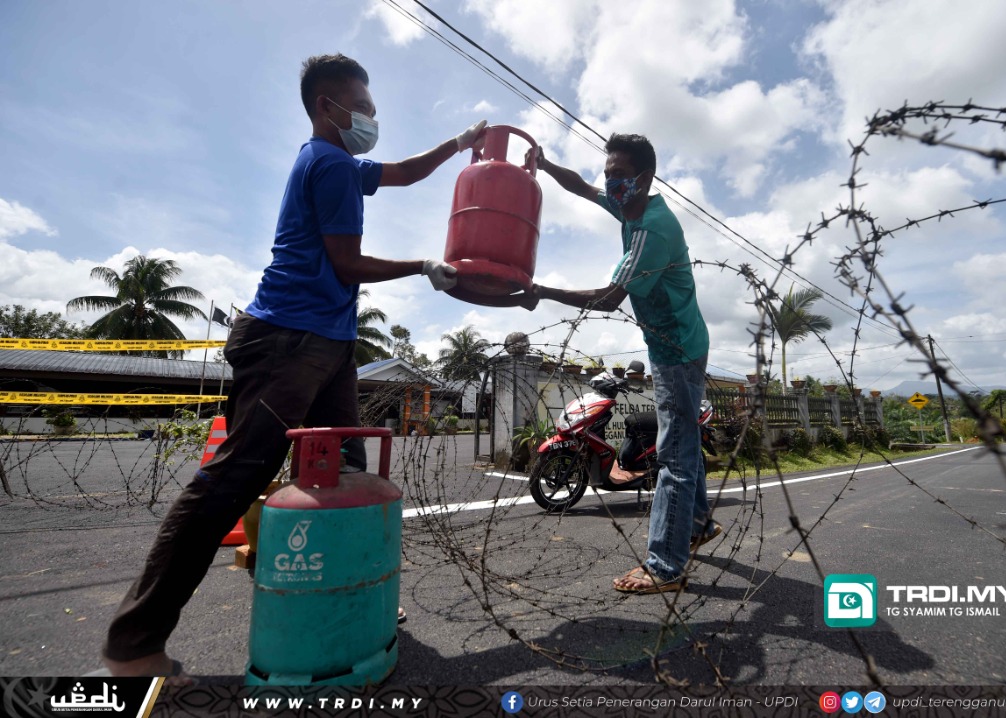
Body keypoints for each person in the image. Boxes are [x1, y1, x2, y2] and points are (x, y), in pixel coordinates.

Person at [101, 53, 487, 680]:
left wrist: (460, 142)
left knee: (345, 471)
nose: (371, 118)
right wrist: (422, 267)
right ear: (326, 107)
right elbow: (346, 264)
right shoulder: (329, 164)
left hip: (328, 344)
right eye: (362, 108)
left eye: (373, 108)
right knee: (232, 479)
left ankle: (347, 592)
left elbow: (406, 172)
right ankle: (133, 645)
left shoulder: (342, 163)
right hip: (288, 338)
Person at [522, 134, 720, 594]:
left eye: (619, 175)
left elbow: (611, 298)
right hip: (672, 345)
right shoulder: (628, 206)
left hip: (679, 352)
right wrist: (546, 165)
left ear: (644, 179)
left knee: (674, 456)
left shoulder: (652, 229)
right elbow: (581, 188)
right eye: (608, 173)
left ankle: (665, 565)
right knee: (684, 441)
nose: (610, 183)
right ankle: (699, 523)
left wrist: (544, 291)